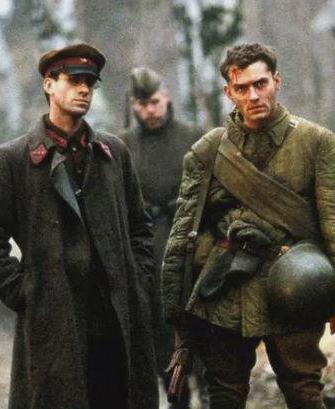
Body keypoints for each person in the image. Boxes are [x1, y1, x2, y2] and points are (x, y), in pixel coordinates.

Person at [161, 43, 335, 409]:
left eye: (261, 84)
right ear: (229, 92)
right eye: (242, 88)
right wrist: (176, 312)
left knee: (303, 388)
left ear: (277, 82)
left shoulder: (315, 143)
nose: (253, 96)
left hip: (296, 283)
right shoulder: (207, 152)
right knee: (223, 392)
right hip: (226, 288)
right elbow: (184, 233)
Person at [0, 43, 158, 409]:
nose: (84, 89)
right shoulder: (13, 160)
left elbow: (140, 227)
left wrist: (136, 281)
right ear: (49, 84)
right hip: (55, 327)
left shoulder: (113, 154)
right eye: (74, 80)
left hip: (116, 323)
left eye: (90, 83)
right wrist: (28, 292)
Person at [119, 66, 206, 409]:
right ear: (133, 105)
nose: (150, 111)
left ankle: (210, 393)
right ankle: (176, 398)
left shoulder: (194, 137)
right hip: (148, 248)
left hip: (193, 242)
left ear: (167, 97)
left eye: (154, 102)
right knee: (159, 328)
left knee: (203, 323)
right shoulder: (124, 146)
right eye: (142, 105)